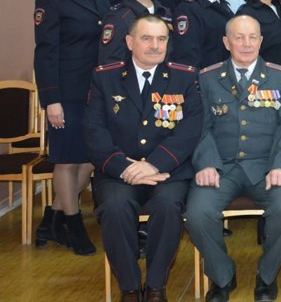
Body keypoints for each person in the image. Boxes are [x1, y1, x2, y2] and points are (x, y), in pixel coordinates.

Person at [84, 15, 202, 302]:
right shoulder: (105, 76)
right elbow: (94, 132)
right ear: (129, 42)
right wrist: (125, 168)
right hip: (118, 171)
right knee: (114, 207)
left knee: (167, 206)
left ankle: (156, 285)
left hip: (167, 171)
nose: (155, 45)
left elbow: (191, 128)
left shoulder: (183, 77)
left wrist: (154, 164)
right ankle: (129, 287)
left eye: (161, 39)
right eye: (147, 38)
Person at [186, 15, 281, 302]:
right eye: (239, 37)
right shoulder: (207, 77)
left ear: (261, 41)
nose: (246, 43)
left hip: (266, 168)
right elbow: (198, 127)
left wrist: (280, 165)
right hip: (221, 168)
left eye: (252, 37)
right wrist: (206, 163)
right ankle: (223, 276)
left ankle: (266, 276)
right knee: (198, 213)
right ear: (226, 42)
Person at [33, 0, 111, 255]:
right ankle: (73, 224)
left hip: (96, 90)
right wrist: (51, 99)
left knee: (90, 158)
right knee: (67, 160)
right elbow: (46, 53)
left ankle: (51, 219)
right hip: (66, 92)